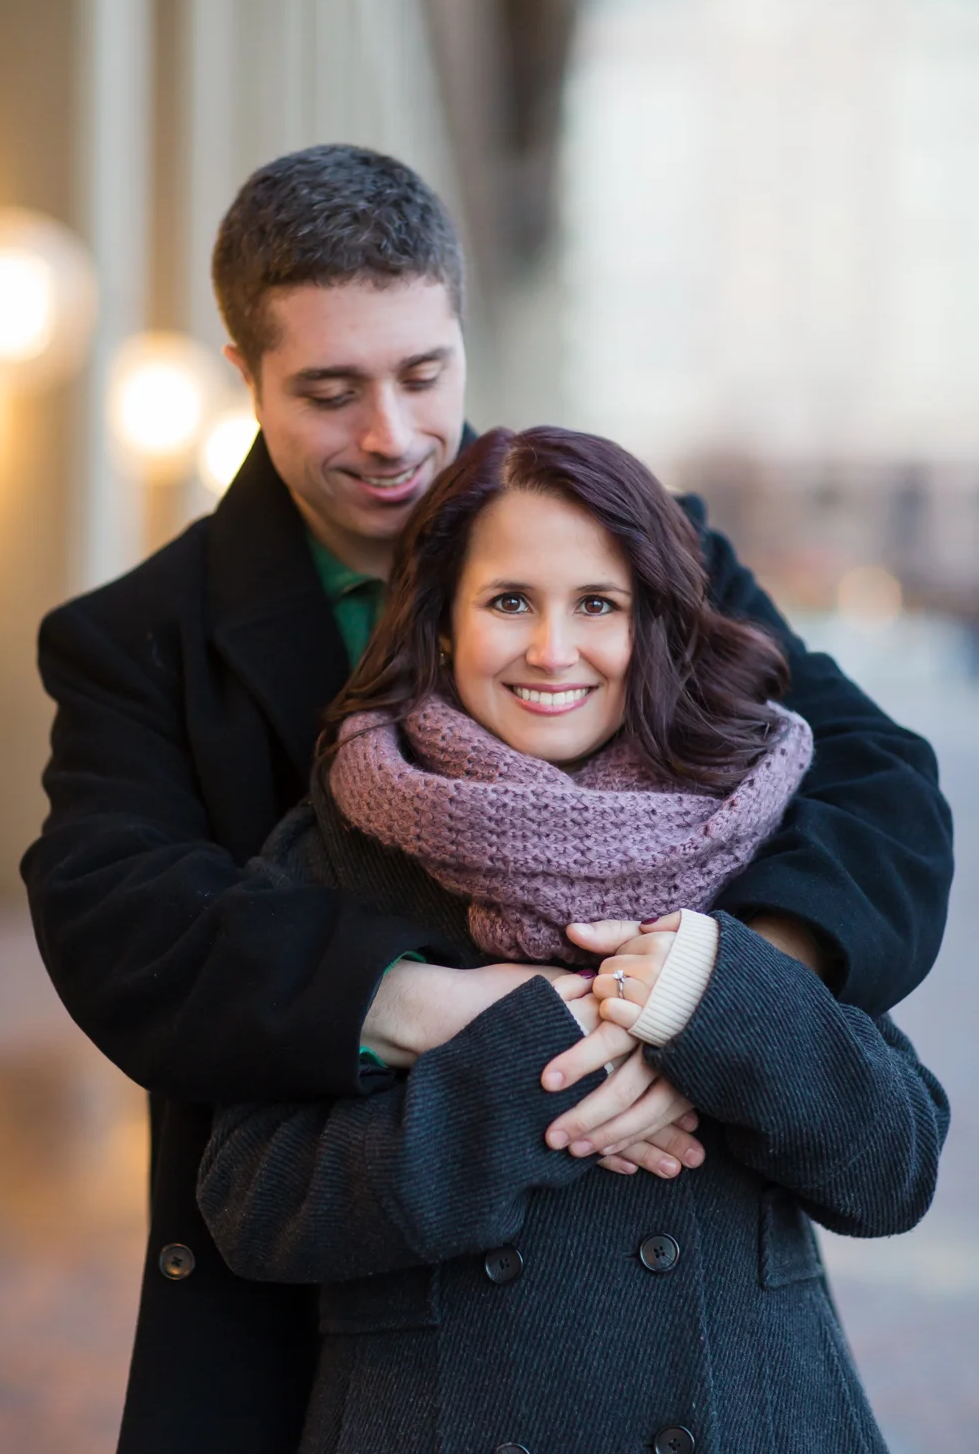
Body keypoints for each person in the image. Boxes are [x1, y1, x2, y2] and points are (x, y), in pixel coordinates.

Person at [20, 146, 952, 1454]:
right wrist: (480, 1018)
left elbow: (867, 774)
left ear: (460, 330)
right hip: (358, 1325)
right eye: (331, 391)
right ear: (246, 376)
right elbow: (124, 921)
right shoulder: (143, 641)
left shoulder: (636, 542)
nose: (392, 436)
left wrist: (713, 993)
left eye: (422, 374)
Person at [197, 426, 949, 1454]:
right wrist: (519, 1072)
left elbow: (895, 1167)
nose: (552, 650)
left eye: (597, 604)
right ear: (442, 619)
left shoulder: (747, 826)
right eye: (510, 601)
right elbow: (253, 1202)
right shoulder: (339, 844)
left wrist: (721, 1002)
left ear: (653, 625)